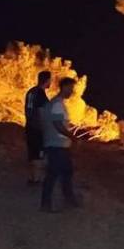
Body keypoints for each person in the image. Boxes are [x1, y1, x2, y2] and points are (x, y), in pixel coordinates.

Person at [39, 76, 80, 211]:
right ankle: (46, 204)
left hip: (60, 144)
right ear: (65, 87)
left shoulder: (58, 103)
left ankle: (69, 199)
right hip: (56, 145)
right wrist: (72, 136)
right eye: (71, 89)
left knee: (67, 172)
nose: (72, 92)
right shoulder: (57, 104)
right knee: (53, 173)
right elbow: (57, 124)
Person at [24, 70, 52, 185]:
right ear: (47, 80)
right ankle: (36, 179)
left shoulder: (31, 92)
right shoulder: (40, 94)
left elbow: (27, 109)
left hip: (29, 126)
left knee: (32, 153)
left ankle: (32, 177)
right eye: (50, 80)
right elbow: (41, 113)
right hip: (37, 128)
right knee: (38, 154)